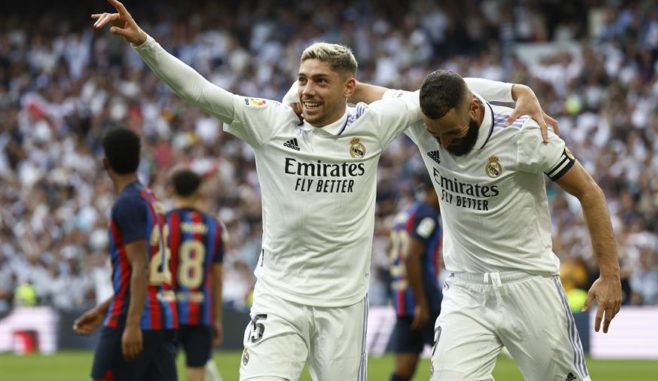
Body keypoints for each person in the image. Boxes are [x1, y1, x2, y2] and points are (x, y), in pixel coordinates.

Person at [91, 2, 555, 379]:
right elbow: (200, 91)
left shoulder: (374, 125)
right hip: (279, 297)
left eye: (319, 81)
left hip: (344, 307)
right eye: (301, 79)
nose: (305, 90)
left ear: (349, 87)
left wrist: (515, 90)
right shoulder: (270, 122)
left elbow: (442, 91)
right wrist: (145, 44)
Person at [349, 70, 622, 381]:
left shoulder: (521, 134)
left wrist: (610, 273)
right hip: (466, 288)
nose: (444, 143)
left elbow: (589, 191)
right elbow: (367, 91)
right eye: (435, 136)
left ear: (474, 109)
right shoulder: (420, 118)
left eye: (452, 133)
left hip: (529, 282)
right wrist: (332, 91)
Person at [73, 127, 178, 381]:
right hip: (163, 316)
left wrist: (131, 325)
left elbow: (141, 266)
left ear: (105, 163)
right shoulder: (151, 199)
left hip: (134, 318)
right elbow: (144, 268)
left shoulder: (126, 203)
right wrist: (100, 310)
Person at [167, 169, 226, 381]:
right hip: (201, 313)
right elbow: (217, 278)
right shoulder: (213, 227)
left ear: (172, 189)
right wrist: (217, 319)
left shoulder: (164, 223)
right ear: (199, 192)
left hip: (168, 312)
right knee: (196, 374)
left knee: (162, 371)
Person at [388, 173, 442, 381]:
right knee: (452, 364)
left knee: (403, 371)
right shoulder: (427, 214)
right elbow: (410, 255)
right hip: (424, 300)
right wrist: (421, 302)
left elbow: (393, 251)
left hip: (402, 300)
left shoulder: (406, 212)